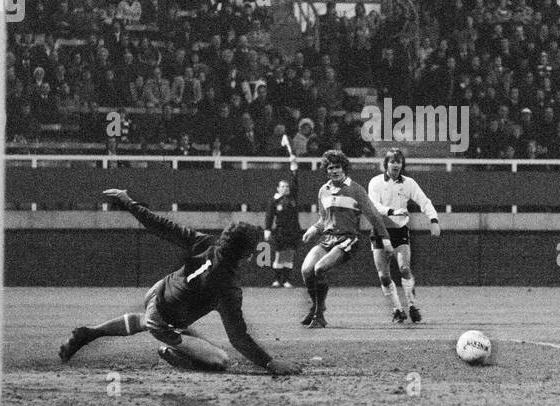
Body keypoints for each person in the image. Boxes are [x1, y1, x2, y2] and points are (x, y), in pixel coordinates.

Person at [58, 189, 301, 376]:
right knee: (220, 360)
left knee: (148, 319)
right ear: (244, 254)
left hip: (157, 291)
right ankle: (173, 352)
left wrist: (129, 202)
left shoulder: (207, 243)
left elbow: (162, 226)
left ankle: (90, 333)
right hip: (164, 320)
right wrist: (269, 362)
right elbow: (238, 338)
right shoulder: (226, 288)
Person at [300, 149, 394, 328]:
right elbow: (323, 219)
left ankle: (319, 316)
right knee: (306, 270)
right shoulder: (323, 191)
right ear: (326, 171)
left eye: (337, 167)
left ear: (344, 168)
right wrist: (314, 228)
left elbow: (374, 216)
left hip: (348, 239)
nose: (334, 171)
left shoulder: (355, 189)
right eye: (330, 168)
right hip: (327, 238)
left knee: (319, 269)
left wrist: (386, 240)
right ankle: (318, 306)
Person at [367, 147, 441, 323]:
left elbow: (424, 201)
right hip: (380, 231)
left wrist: (434, 220)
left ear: (402, 164)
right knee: (384, 276)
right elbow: (373, 206)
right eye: (392, 161)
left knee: (405, 268)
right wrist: (393, 211)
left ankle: (412, 305)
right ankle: (397, 309)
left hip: (400, 231)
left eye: (398, 161)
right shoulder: (375, 182)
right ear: (386, 164)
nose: (395, 164)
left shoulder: (408, 183)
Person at [264, 157, 302, 287]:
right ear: (278, 188)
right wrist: (267, 229)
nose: (285, 188)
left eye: (287, 186)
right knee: (279, 255)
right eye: (283, 186)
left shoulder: (292, 198)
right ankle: (277, 280)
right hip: (280, 231)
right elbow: (269, 216)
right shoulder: (274, 201)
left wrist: (293, 166)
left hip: (293, 231)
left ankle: (286, 280)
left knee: (290, 254)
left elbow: (295, 181)